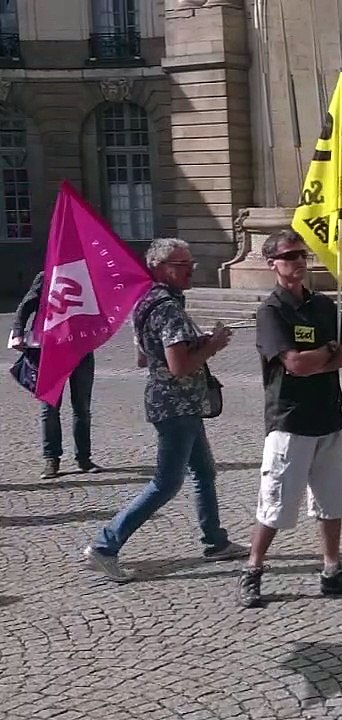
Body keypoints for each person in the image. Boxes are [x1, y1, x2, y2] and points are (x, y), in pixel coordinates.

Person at [83, 238, 248, 583]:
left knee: (204, 472)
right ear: (159, 269)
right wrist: (213, 346)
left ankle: (215, 540)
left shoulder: (145, 302)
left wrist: (195, 342)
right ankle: (105, 545)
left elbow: (145, 356)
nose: (190, 270)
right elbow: (178, 366)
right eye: (181, 264)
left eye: (191, 263)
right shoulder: (167, 308)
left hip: (174, 402)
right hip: (176, 406)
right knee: (166, 483)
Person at [238, 229, 342, 608]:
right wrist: (327, 350)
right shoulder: (272, 312)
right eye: (289, 256)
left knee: (331, 500)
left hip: (328, 414)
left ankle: (332, 569)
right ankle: (253, 569)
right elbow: (294, 364)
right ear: (272, 263)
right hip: (290, 418)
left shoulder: (323, 305)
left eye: (301, 255)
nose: (298, 262)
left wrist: (317, 358)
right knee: (275, 502)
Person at [9, 270, 102, 479]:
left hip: (80, 349)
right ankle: (51, 458)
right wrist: (17, 333)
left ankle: (84, 459)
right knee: (49, 407)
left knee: (82, 407)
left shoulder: (87, 276)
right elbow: (25, 306)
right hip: (50, 350)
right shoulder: (47, 276)